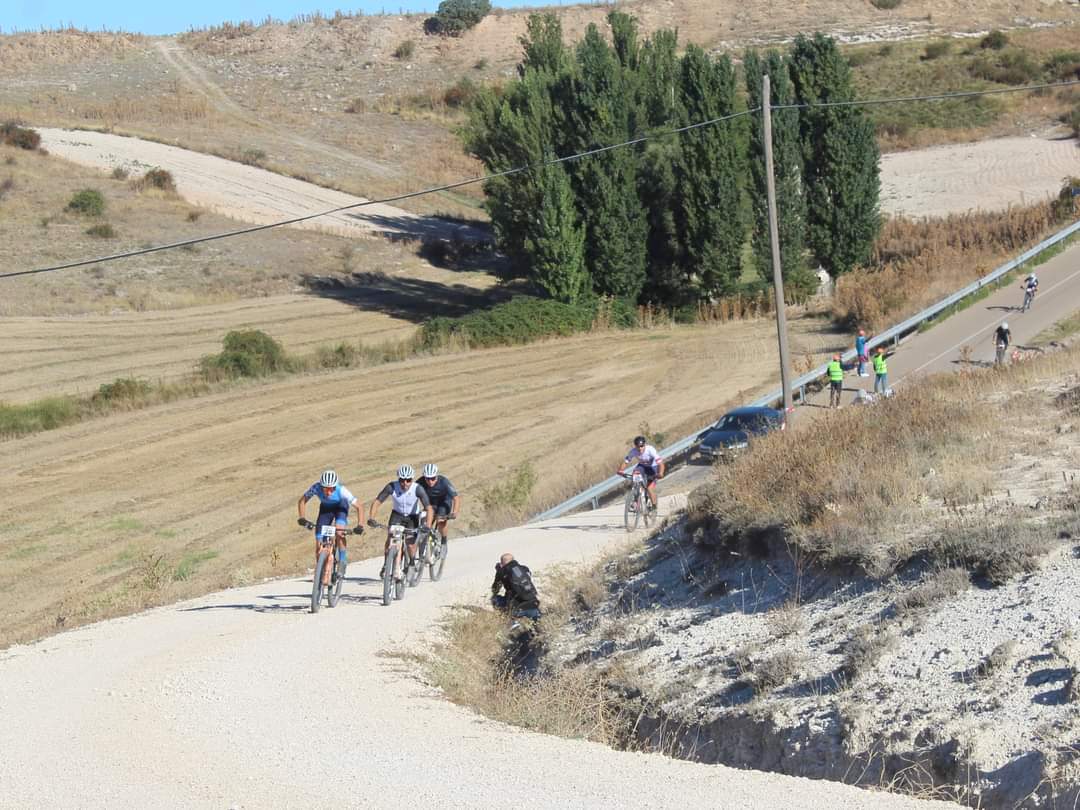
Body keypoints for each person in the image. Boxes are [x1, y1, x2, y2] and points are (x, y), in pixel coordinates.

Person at [368, 464, 434, 569]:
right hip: (397, 515)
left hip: (412, 517)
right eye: (402, 480)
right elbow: (377, 502)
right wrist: (371, 518)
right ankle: (386, 563)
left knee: (410, 543)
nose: (405, 483)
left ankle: (411, 563)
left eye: (408, 480)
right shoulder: (392, 486)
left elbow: (429, 508)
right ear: (398, 479)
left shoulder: (418, 489)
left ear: (412, 479)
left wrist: (428, 525)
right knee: (390, 538)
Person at [297, 469, 364, 568]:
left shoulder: (342, 490)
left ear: (335, 486)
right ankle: (320, 570)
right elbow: (302, 501)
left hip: (340, 507)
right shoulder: (316, 487)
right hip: (326, 509)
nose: (328, 492)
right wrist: (302, 517)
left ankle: (342, 560)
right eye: (325, 489)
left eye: (331, 489)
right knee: (319, 540)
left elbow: (359, 507)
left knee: (339, 532)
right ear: (321, 486)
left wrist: (360, 525)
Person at [616, 435, 665, 511]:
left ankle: (654, 507)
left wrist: (660, 473)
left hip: (653, 467)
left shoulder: (650, 450)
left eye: (642, 446)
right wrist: (620, 470)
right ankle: (636, 499)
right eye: (638, 446)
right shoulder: (633, 451)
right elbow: (626, 461)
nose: (640, 448)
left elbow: (661, 464)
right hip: (642, 466)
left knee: (649, 488)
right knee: (635, 475)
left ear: (645, 444)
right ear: (635, 446)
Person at [418, 463, 460, 545]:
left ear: (436, 476)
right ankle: (425, 544)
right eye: (427, 479)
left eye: (433, 478)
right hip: (431, 504)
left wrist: (455, 512)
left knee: (440, 521)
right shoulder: (420, 482)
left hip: (444, 503)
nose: (430, 481)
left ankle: (444, 541)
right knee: (424, 521)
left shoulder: (444, 482)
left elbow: (456, 498)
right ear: (424, 477)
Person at [490, 552, 541, 620]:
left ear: (502, 562)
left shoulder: (502, 571)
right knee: (536, 623)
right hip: (533, 603)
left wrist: (499, 572)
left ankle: (509, 620)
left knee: (494, 599)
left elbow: (495, 589)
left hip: (516, 608)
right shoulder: (525, 569)